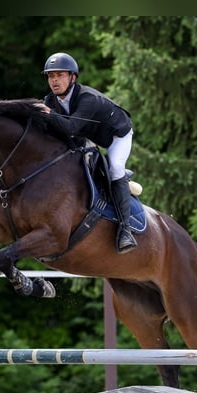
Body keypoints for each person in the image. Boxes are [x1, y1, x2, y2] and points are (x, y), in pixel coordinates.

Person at [35, 52, 137, 254]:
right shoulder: (51, 101)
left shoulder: (87, 98)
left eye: (60, 75)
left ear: (73, 77)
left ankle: (126, 230)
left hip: (117, 135)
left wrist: (47, 114)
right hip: (90, 135)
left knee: (115, 166)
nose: (54, 80)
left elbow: (71, 127)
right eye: (50, 76)